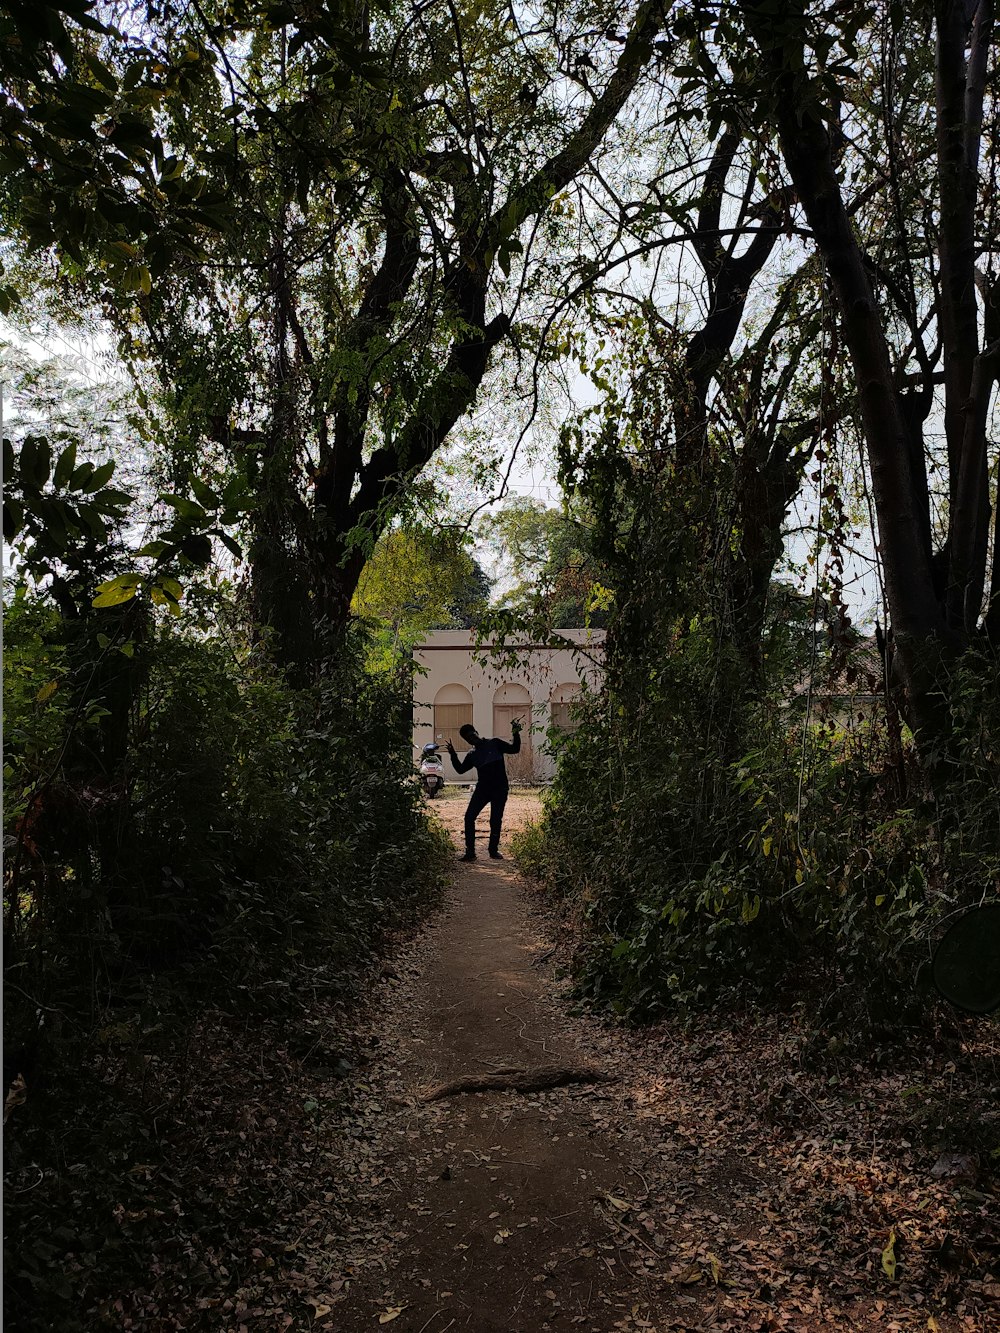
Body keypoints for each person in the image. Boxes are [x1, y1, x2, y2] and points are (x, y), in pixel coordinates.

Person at [446, 719, 522, 861]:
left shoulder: (495, 743)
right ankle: (470, 853)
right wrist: (452, 754)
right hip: (483, 789)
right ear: (467, 741)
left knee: (495, 820)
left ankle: (493, 851)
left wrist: (516, 732)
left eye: (472, 735)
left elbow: (515, 749)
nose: (472, 739)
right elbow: (460, 770)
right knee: (469, 817)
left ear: (477, 732)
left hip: (500, 788)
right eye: (469, 738)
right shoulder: (472, 755)